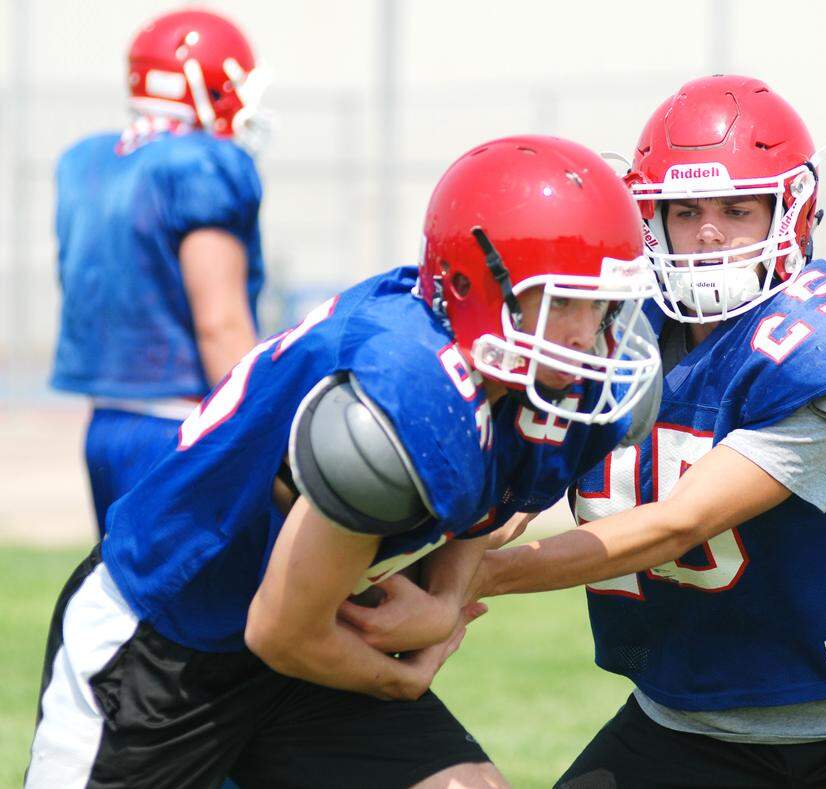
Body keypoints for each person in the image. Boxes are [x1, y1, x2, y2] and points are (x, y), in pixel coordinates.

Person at [26, 135, 661, 788]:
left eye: (603, 303)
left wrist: (445, 600)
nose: (590, 333)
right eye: (566, 302)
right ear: (481, 287)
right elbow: (281, 631)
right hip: (169, 642)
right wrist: (399, 673)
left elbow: (487, 506)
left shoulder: (546, 374)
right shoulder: (408, 395)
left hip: (311, 635)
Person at [472, 76, 826, 787]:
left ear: (791, 210)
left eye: (738, 209)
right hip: (681, 728)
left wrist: (480, 581)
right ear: (648, 216)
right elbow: (515, 490)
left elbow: (680, 524)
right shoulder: (612, 336)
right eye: (684, 208)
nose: (707, 232)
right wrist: (433, 560)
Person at [50, 9, 270, 537]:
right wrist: (267, 425)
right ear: (208, 82)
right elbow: (219, 321)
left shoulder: (88, 160)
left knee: (135, 609)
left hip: (106, 425)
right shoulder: (201, 164)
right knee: (230, 614)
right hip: (185, 427)